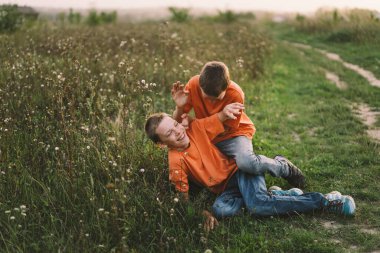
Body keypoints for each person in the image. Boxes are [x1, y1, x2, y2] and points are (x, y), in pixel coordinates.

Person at [145, 104, 356, 231]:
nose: (177, 131)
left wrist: (226, 110)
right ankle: (282, 195)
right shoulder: (175, 162)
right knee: (221, 210)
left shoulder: (195, 128)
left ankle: (327, 201)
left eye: (174, 125)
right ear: (161, 144)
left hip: (240, 171)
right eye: (170, 133)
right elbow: (183, 199)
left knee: (257, 207)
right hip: (227, 189)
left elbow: (218, 118)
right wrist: (203, 214)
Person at [171, 61, 306, 188]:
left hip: (233, 134)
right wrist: (179, 108)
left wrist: (196, 124)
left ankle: (283, 166)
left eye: (216, 99)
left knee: (246, 163)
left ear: (227, 87)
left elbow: (224, 130)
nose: (211, 103)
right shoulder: (193, 84)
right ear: (199, 85)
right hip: (207, 134)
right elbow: (177, 122)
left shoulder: (235, 93)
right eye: (207, 98)